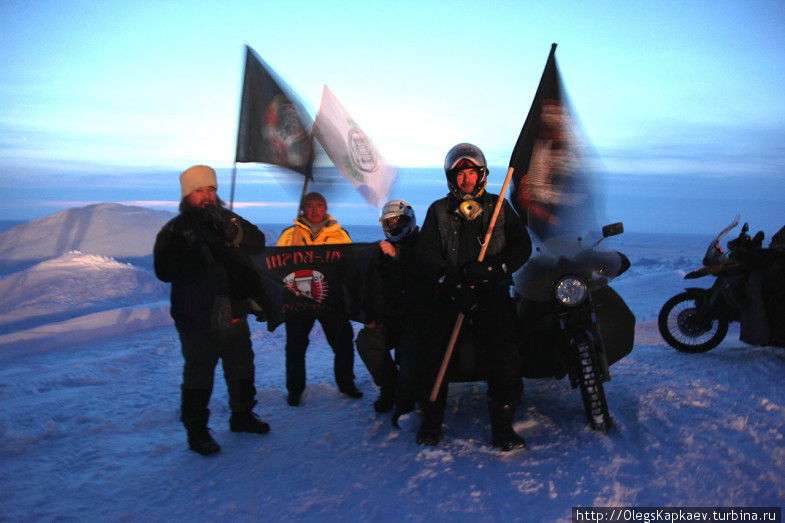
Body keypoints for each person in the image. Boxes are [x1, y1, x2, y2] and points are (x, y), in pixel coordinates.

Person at [417, 143, 532, 451]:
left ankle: (503, 427)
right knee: (432, 351)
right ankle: (431, 420)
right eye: (460, 174)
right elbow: (426, 254)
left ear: (482, 175)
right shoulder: (438, 211)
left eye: (471, 173)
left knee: (505, 350)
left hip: (491, 293)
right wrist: (450, 282)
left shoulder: (499, 207)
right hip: (451, 295)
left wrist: (496, 268)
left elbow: (522, 245)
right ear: (450, 178)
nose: (466, 180)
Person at [154, 165, 270, 456]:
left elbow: (258, 240)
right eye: (200, 190)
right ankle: (197, 430)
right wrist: (201, 255)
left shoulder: (227, 219)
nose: (207, 196)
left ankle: (242, 416)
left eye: (211, 190)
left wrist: (236, 230)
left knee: (242, 368)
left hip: (234, 310)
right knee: (199, 375)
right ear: (187, 195)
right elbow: (163, 270)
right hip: (198, 316)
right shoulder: (175, 230)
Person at [276, 192, 362, 406]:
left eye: (319, 206)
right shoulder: (290, 235)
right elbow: (276, 266)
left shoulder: (340, 234)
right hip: (299, 299)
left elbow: (351, 267)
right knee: (295, 347)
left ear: (325, 208)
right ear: (303, 209)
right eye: (310, 206)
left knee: (342, 344)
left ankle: (346, 384)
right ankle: (295, 390)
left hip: (330, 299)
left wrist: (355, 295)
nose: (315, 210)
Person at [355, 200, 427, 415]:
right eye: (390, 222)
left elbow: (426, 270)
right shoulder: (379, 252)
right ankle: (390, 386)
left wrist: (398, 256)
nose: (394, 226)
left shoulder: (424, 245)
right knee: (367, 342)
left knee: (409, 354)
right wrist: (369, 315)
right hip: (389, 316)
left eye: (398, 221)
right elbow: (370, 285)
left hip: (418, 317)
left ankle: (409, 391)